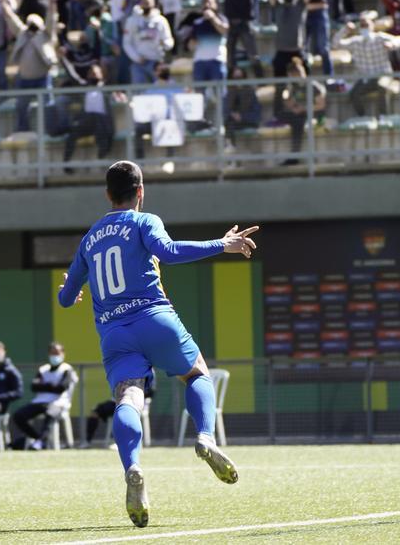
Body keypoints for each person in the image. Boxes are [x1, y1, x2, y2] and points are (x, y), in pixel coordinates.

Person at [56, 160, 256, 527]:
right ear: (141, 191)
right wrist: (223, 244)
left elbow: (67, 298)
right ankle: (206, 438)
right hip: (154, 318)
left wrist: (67, 290)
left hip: (114, 333)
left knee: (128, 397)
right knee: (197, 374)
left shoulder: (90, 238)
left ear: (107, 194)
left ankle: (132, 467)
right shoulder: (144, 221)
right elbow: (168, 251)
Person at [10, 342, 78, 450]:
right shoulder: (43, 369)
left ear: (63, 353)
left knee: (50, 414)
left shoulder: (67, 369)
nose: (55, 356)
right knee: (18, 416)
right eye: (52, 353)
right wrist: (52, 386)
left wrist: (44, 385)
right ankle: (38, 439)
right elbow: (34, 386)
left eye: (57, 353)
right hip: (40, 401)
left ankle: (41, 441)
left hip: (58, 402)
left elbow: (61, 388)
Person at [335, 17, 400, 117]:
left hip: (384, 75)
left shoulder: (380, 38)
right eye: (362, 26)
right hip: (366, 79)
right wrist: (345, 30)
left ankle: (384, 116)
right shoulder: (355, 42)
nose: (365, 28)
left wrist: (392, 44)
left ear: (372, 26)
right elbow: (336, 44)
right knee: (354, 94)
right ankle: (362, 117)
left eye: (367, 25)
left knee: (382, 86)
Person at [6, 12, 57, 132]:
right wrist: (4, 6)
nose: (32, 28)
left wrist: (52, 5)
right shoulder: (22, 33)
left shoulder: (45, 34)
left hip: (42, 78)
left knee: (48, 105)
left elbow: (51, 20)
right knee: (21, 106)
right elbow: (12, 19)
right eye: (31, 25)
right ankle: (23, 129)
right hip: (24, 79)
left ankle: (51, 129)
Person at [63, 64, 116, 172]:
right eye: (92, 73)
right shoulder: (85, 87)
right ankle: (66, 164)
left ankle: (102, 161)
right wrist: (63, 60)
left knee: (104, 133)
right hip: (86, 121)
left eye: (96, 73)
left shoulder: (107, 88)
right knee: (71, 136)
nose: (94, 75)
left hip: (102, 122)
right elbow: (72, 75)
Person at [83, 370, 154, 445]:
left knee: (123, 413)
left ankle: (120, 442)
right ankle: (87, 441)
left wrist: (133, 393)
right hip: (116, 402)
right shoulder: (122, 367)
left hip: (134, 402)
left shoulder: (147, 370)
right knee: (95, 411)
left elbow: (150, 391)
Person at [277, 56, 325, 166]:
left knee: (298, 123)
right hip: (298, 114)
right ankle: (294, 157)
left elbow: (320, 105)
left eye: (298, 72)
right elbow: (288, 100)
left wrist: (304, 109)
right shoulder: (293, 86)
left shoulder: (313, 86)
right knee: (281, 115)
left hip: (314, 114)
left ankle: (294, 157)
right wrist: (291, 105)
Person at [176, 0, 228, 90]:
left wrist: (212, 18)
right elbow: (191, 43)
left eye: (210, 3)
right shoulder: (197, 22)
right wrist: (191, 44)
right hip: (200, 62)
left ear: (216, 5)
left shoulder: (222, 18)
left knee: (220, 92)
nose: (207, 5)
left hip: (217, 61)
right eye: (205, 3)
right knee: (199, 93)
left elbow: (224, 30)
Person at [122, 0, 174, 85]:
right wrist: (137, 57)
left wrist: (165, 44)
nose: (146, 5)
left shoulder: (161, 21)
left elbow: (169, 40)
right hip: (139, 63)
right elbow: (127, 43)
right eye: (144, 2)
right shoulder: (132, 21)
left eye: (148, 2)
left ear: (153, 3)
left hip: (157, 62)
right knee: (139, 93)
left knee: (159, 91)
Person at [224, 0, 263, 77]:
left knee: (253, 54)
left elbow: (253, 4)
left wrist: (253, 20)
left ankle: (260, 80)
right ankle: (230, 80)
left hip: (245, 22)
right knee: (229, 56)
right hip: (231, 22)